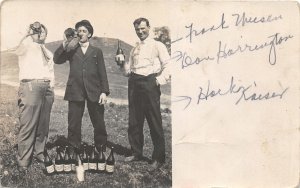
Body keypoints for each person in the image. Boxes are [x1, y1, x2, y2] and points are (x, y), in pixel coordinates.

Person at [117, 17, 171, 169]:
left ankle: (158, 158)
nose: (140, 32)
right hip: (134, 83)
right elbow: (128, 72)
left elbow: (169, 64)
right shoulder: (134, 49)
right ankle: (136, 152)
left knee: (154, 120)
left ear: (148, 27)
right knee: (134, 120)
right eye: (137, 29)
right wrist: (122, 64)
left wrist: (159, 80)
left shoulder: (157, 45)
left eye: (142, 28)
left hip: (149, 83)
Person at [53, 20, 110, 152]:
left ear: (89, 34)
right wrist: (65, 42)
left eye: (84, 31)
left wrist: (104, 92)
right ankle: (73, 148)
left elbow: (102, 72)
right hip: (75, 90)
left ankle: (100, 147)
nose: (80, 33)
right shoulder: (71, 49)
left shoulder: (97, 51)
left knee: (98, 121)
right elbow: (56, 59)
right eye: (78, 31)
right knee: (73, 122)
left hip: (94, 91)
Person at [10, 21, 55, 171]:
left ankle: (39, 152)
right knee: (28, 123)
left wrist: (51, 87)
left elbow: (50, 71)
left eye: (42, 31)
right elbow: (16, 49)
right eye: (37, 31)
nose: (39, 33)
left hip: (47, 88)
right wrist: (28, 33)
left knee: (43, 123)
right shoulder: (26, 46)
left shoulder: (47, 51)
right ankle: (23, 160)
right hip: (30, 86)